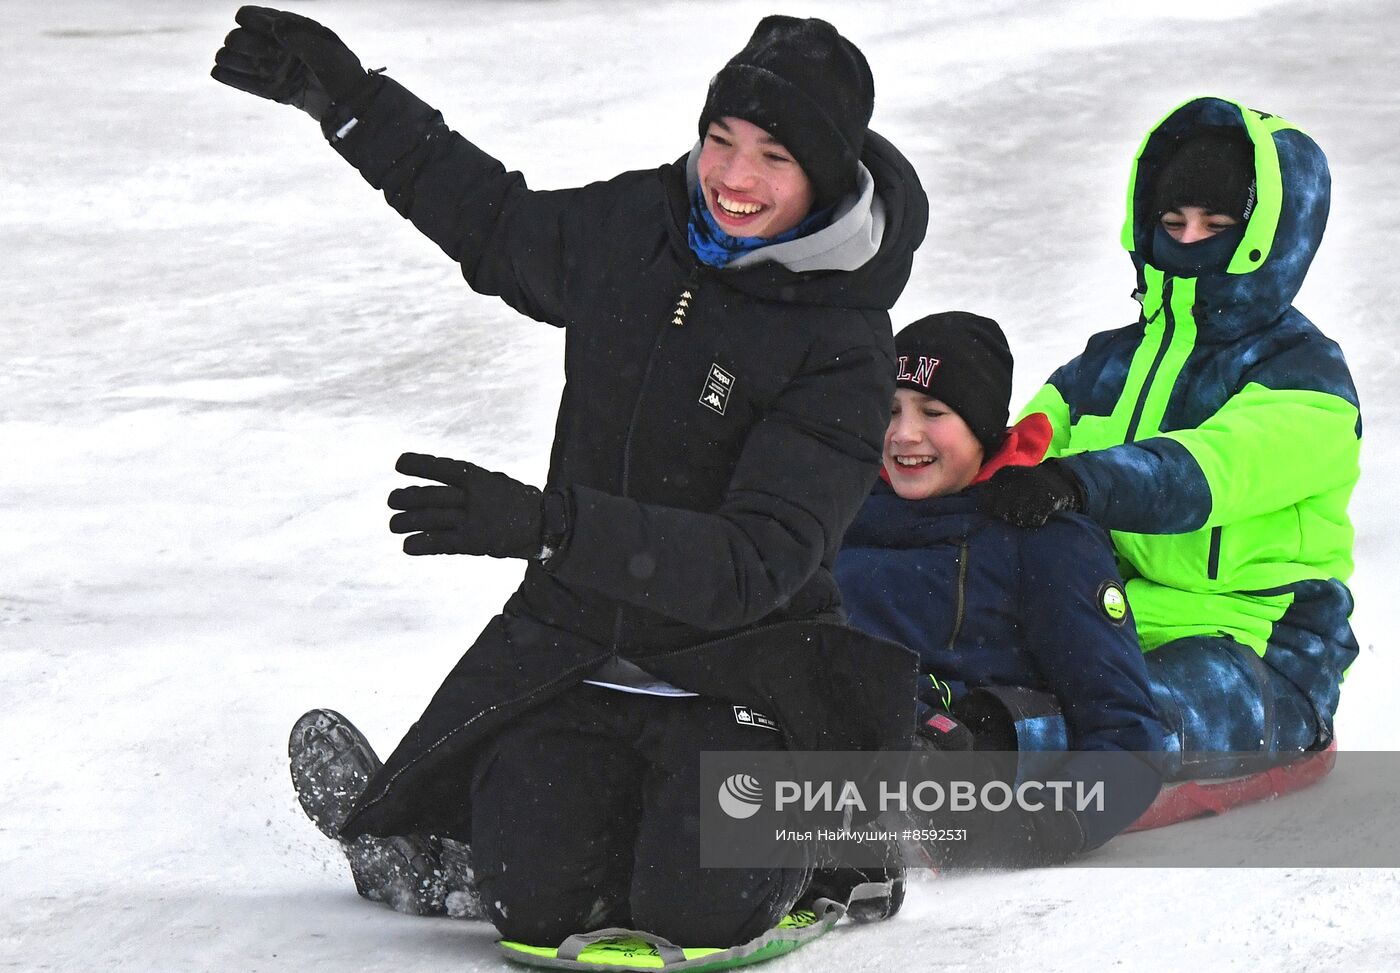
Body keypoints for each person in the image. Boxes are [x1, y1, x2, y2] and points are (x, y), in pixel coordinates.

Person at [213, 8, 928, 948]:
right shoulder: (643, 226)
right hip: (582, 649)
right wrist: (350, 103)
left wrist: (555, 529)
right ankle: (457, 851)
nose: (733, 177)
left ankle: (831, 854)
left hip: (744, 676)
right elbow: (499, 225)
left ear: (825, 177)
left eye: (774, 157)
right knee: (536, 900)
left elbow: (754, 563)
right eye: (720, 139)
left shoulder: (843, 345)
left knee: (693, 905)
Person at [976, 97, 1361, 782]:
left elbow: (1208, 471)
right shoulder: (1106, 363)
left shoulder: (1306, 377)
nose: (1186, 241)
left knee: (1119, 716)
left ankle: (965, 761)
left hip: (1254, 652)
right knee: (963, 652)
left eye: (1214, 224)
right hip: (1103, 620)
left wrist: (1081, 481)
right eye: (1172, 221)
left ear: (1265, 238)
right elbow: (1021, 453)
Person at [834, 312, 1164, 864]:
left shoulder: (1042, 540)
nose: (904, 433)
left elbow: (1127, 732)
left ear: (983, 428)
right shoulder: (840, 510)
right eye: (889, 410)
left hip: (949, 771)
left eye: (933, 413)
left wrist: (1043, 829)